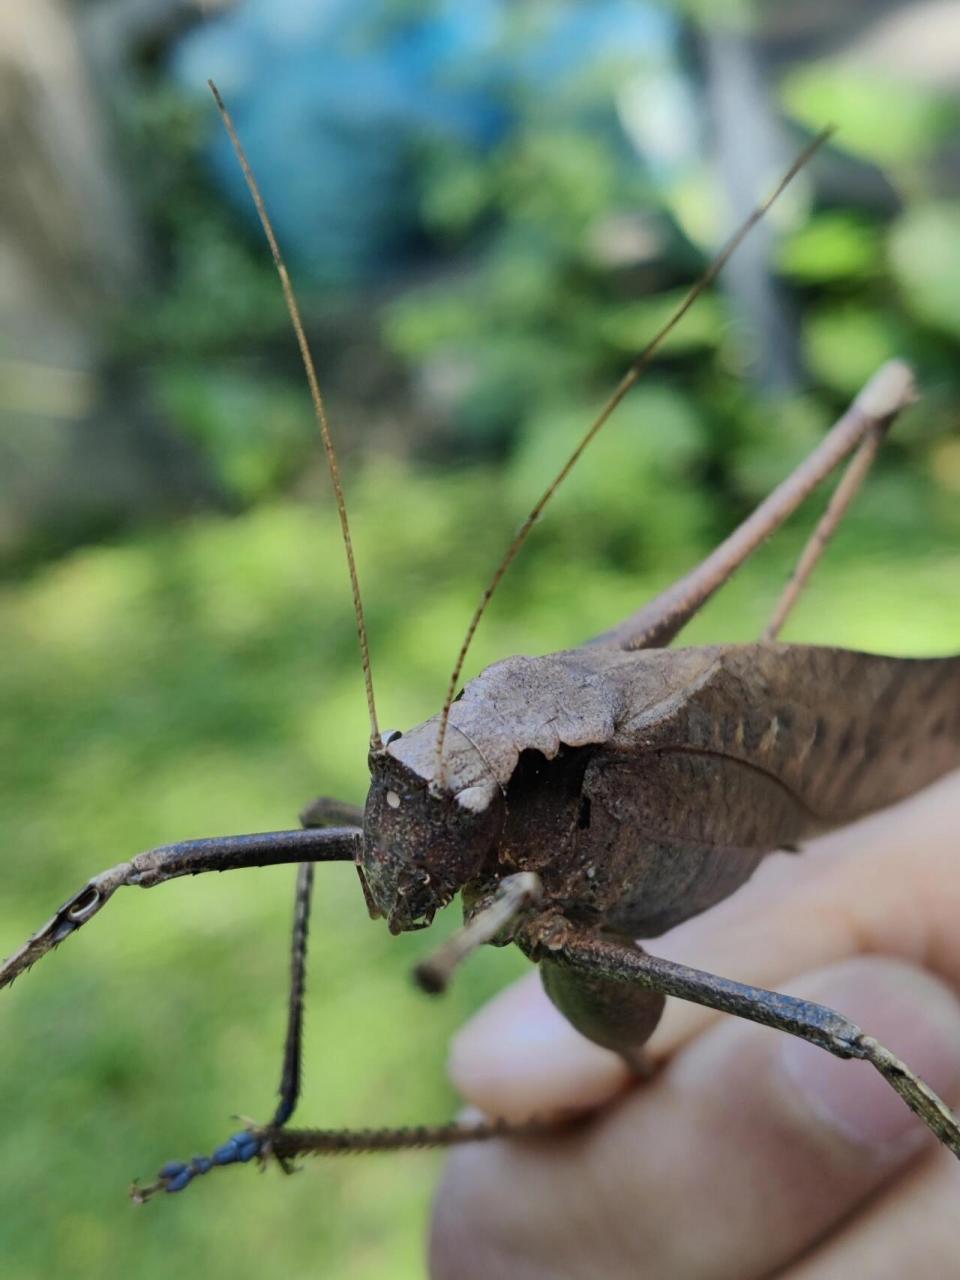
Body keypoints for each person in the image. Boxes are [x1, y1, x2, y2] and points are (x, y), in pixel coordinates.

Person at [430, 769, 960, 1278]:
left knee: (844, 1036)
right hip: (588, 1013)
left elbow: (522, 891)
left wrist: (449, 956)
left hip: (607, 966)